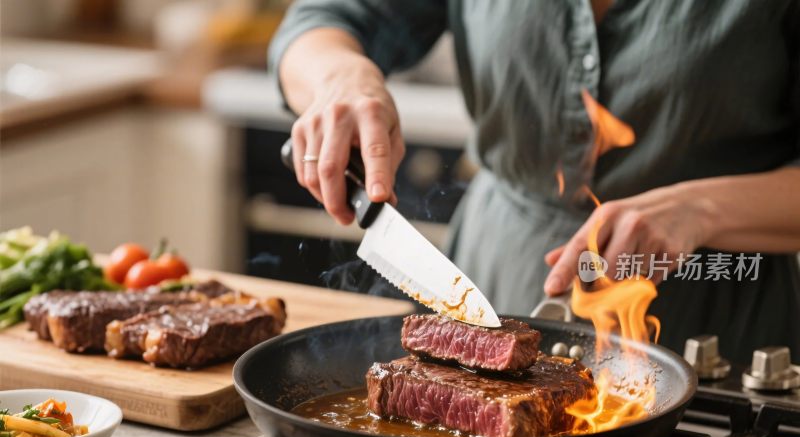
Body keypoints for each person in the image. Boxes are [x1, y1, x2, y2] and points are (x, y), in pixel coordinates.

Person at [268, 0, 800, 362]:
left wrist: (702, 208)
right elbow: (320, 21)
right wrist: (340, 75)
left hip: (719, 321)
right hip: (497, 280)